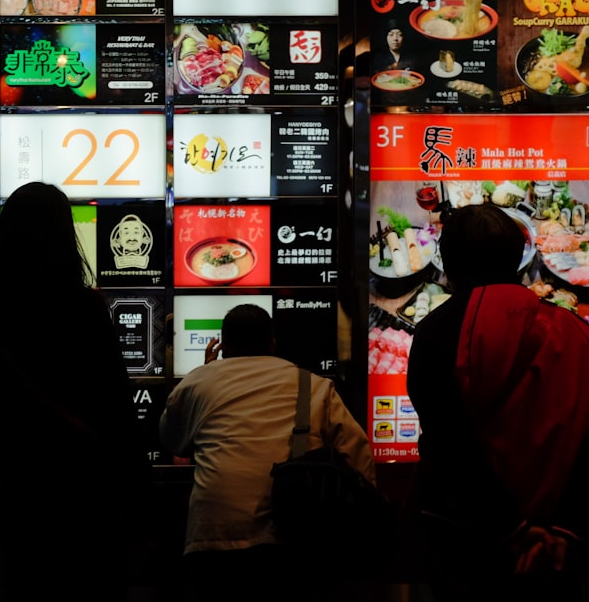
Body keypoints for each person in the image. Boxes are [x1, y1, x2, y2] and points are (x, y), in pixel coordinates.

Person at [0, 181, 149, 598]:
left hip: (28, 492)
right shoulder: (86, 307)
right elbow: (118, 406)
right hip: (91, 489)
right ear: (63, 235)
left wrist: (2, 458)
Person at [408, 203, 589, 598]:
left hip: (463, 538)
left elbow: (448, 443)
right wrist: (563, 529)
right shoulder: (574, 330)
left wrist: (513, 530)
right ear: (518, 259)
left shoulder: (435, 333)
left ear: (449, 263)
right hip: (558, 541)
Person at [160, 304, 374, 593]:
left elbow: (173, 441)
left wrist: (207, 370)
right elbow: (358, 454)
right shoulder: (314, 385)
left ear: (223, 346)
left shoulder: (197, 381)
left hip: (211, 537)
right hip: (293, 540)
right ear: (273, 343)